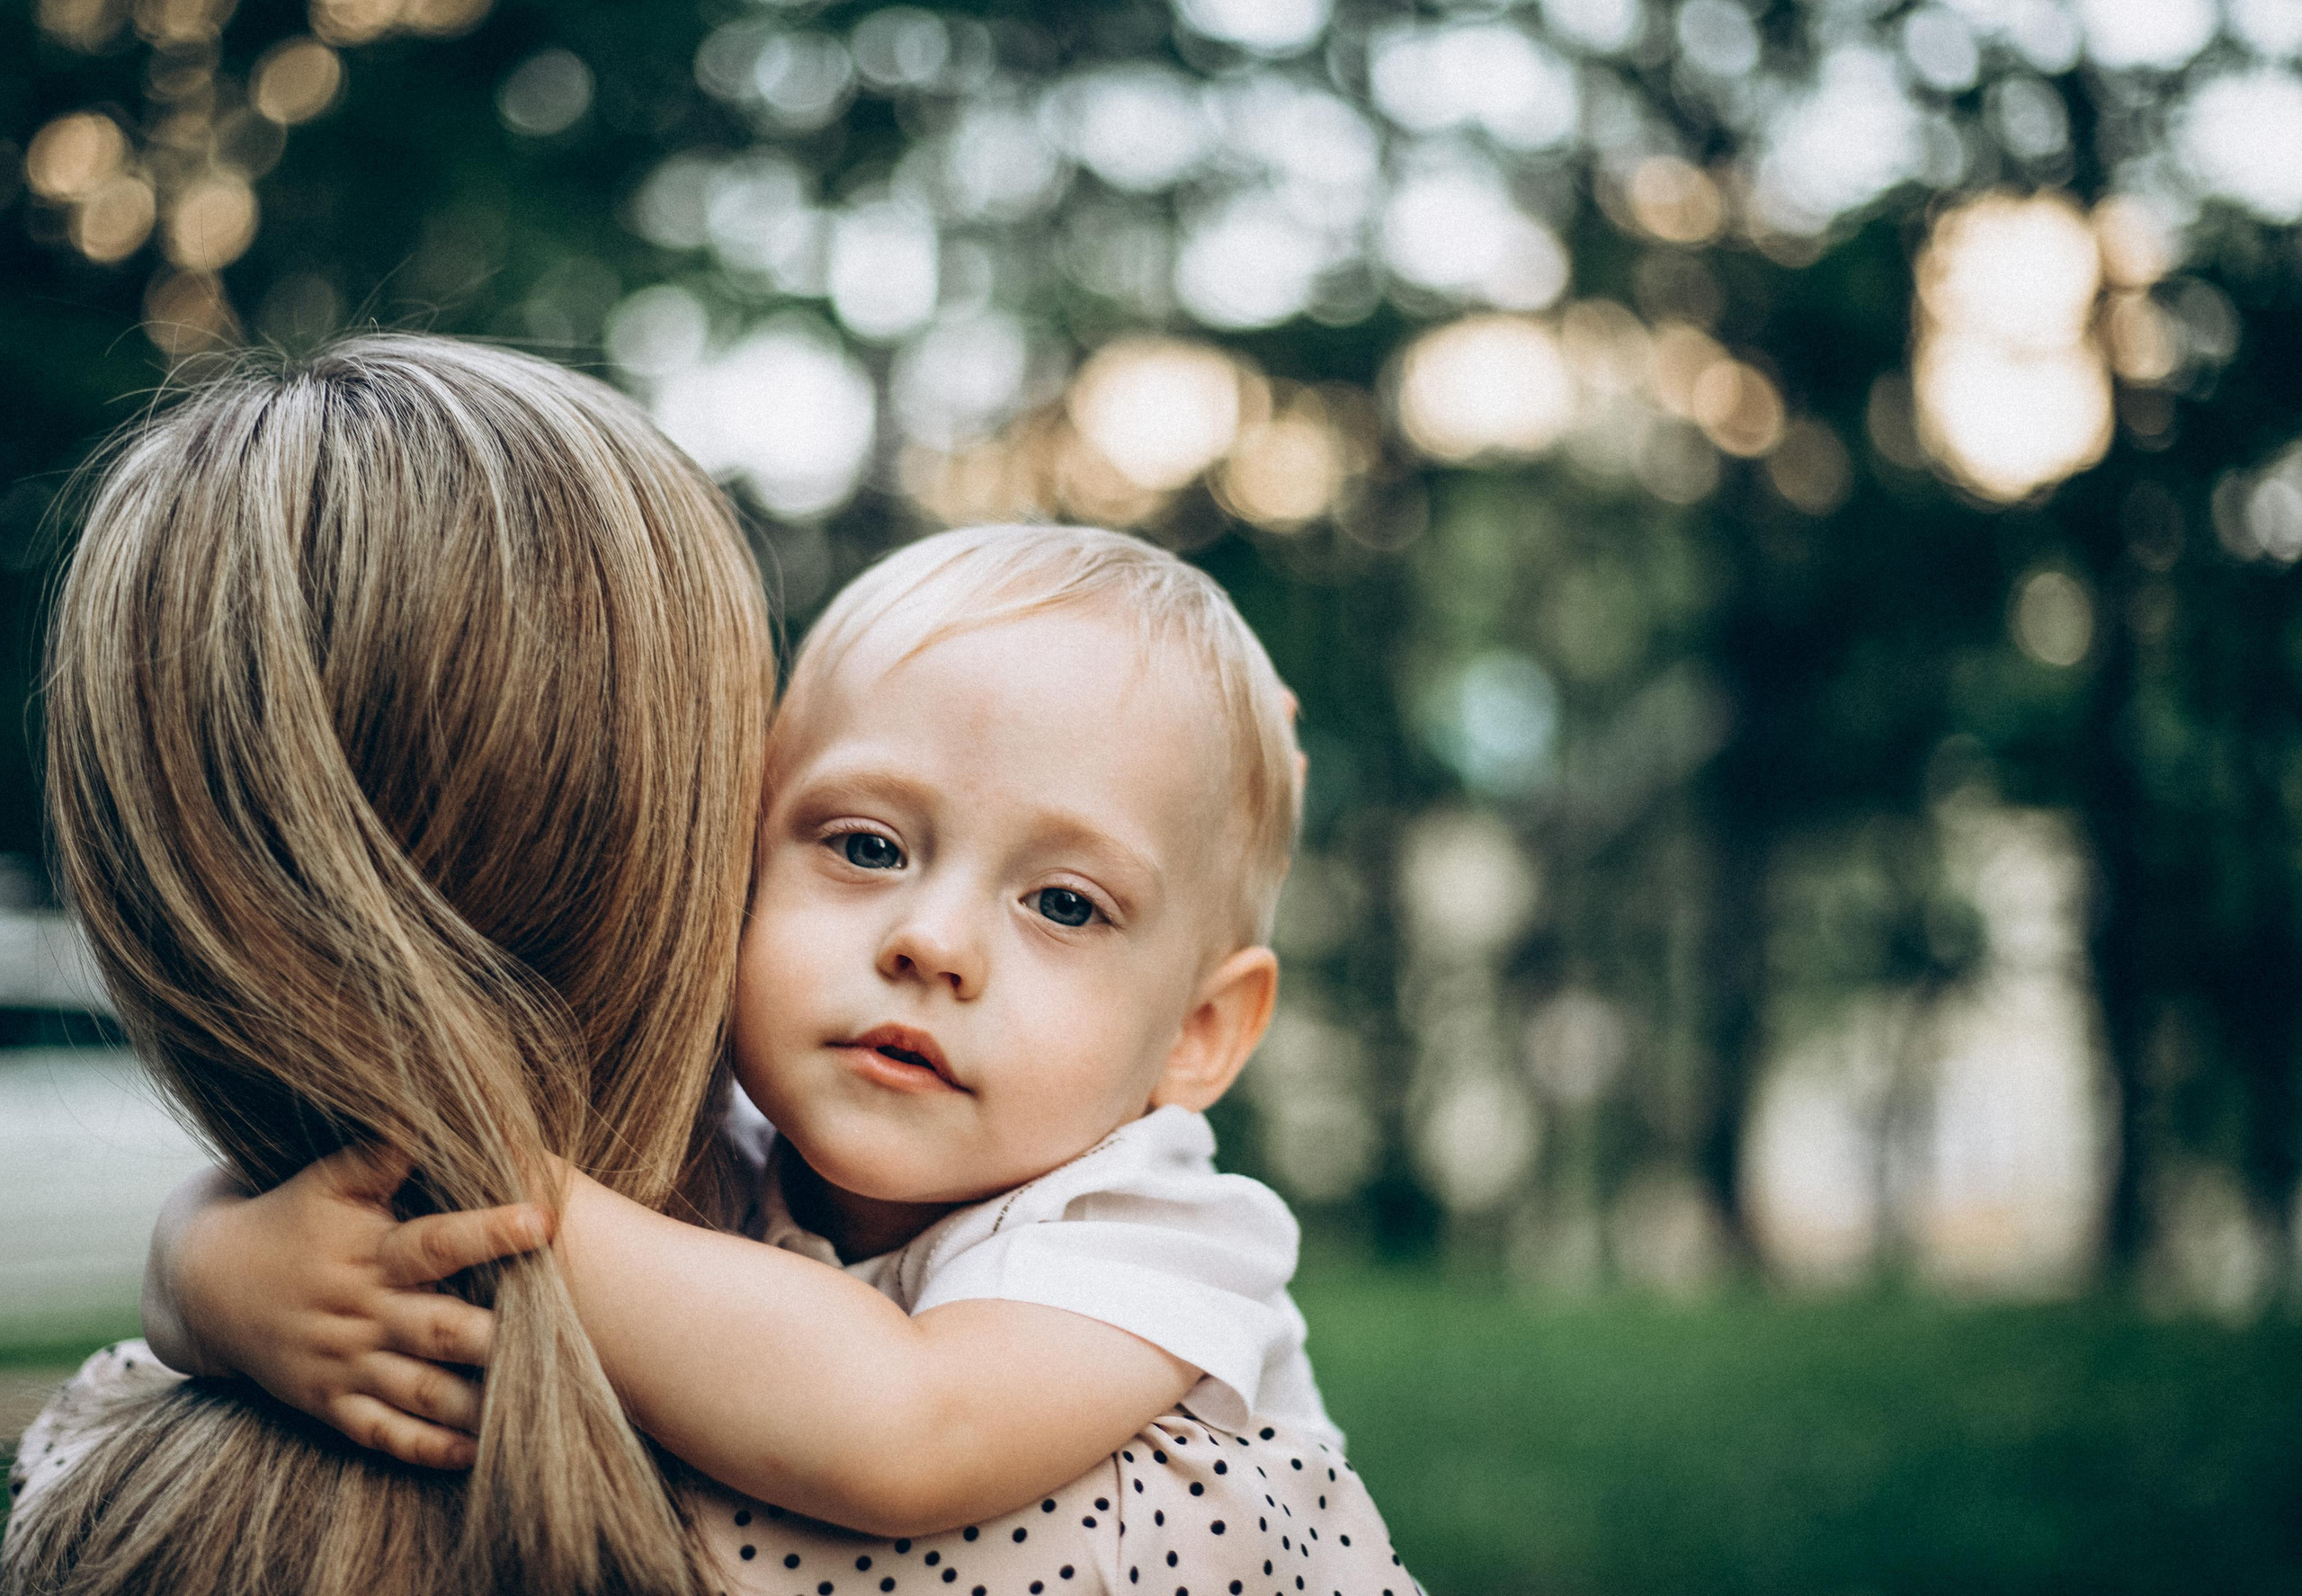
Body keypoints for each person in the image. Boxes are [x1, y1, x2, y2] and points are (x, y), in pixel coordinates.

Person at [4, 343, 1408, 1596]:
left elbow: (903, 1428)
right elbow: (282, 1237)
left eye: (1064, 902)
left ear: (1200, 1037)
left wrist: (503, 1180)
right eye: (864, 844)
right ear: (732, 844)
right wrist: (219, 1276)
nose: (932, 940)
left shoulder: (1157, 1233)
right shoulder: (728, 1145)